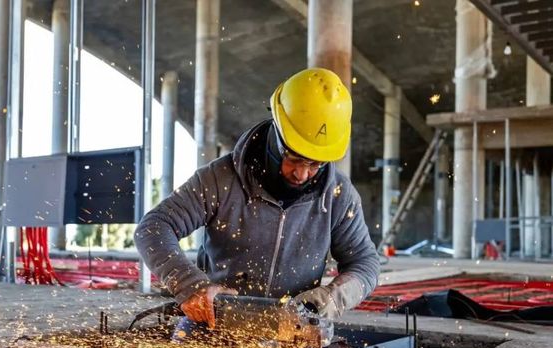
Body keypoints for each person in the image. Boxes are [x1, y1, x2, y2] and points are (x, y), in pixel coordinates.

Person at [135, 68, 379, 334]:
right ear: (277, 132)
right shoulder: (220, 179)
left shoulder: (338, 196)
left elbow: (365, 263)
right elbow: (154, 227)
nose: (302, 174)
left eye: (315, 164)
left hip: (295, 332)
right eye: (294, 158)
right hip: (215, 325)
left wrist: (330, 299)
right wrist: (192, 286)